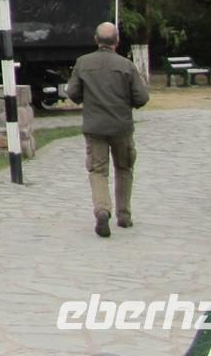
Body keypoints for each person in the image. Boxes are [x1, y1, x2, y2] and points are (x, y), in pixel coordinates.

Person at [64, 20, 150, 237]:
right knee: (124, 168)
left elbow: (73, 93)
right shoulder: (126, 65)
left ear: (96, 40)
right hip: (122, 127)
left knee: (98, 171)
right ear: (117, 41)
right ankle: (124, 215)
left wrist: (87, 99)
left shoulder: (83, 63)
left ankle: (102, 209)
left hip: (94, 127)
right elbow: (141, 97)